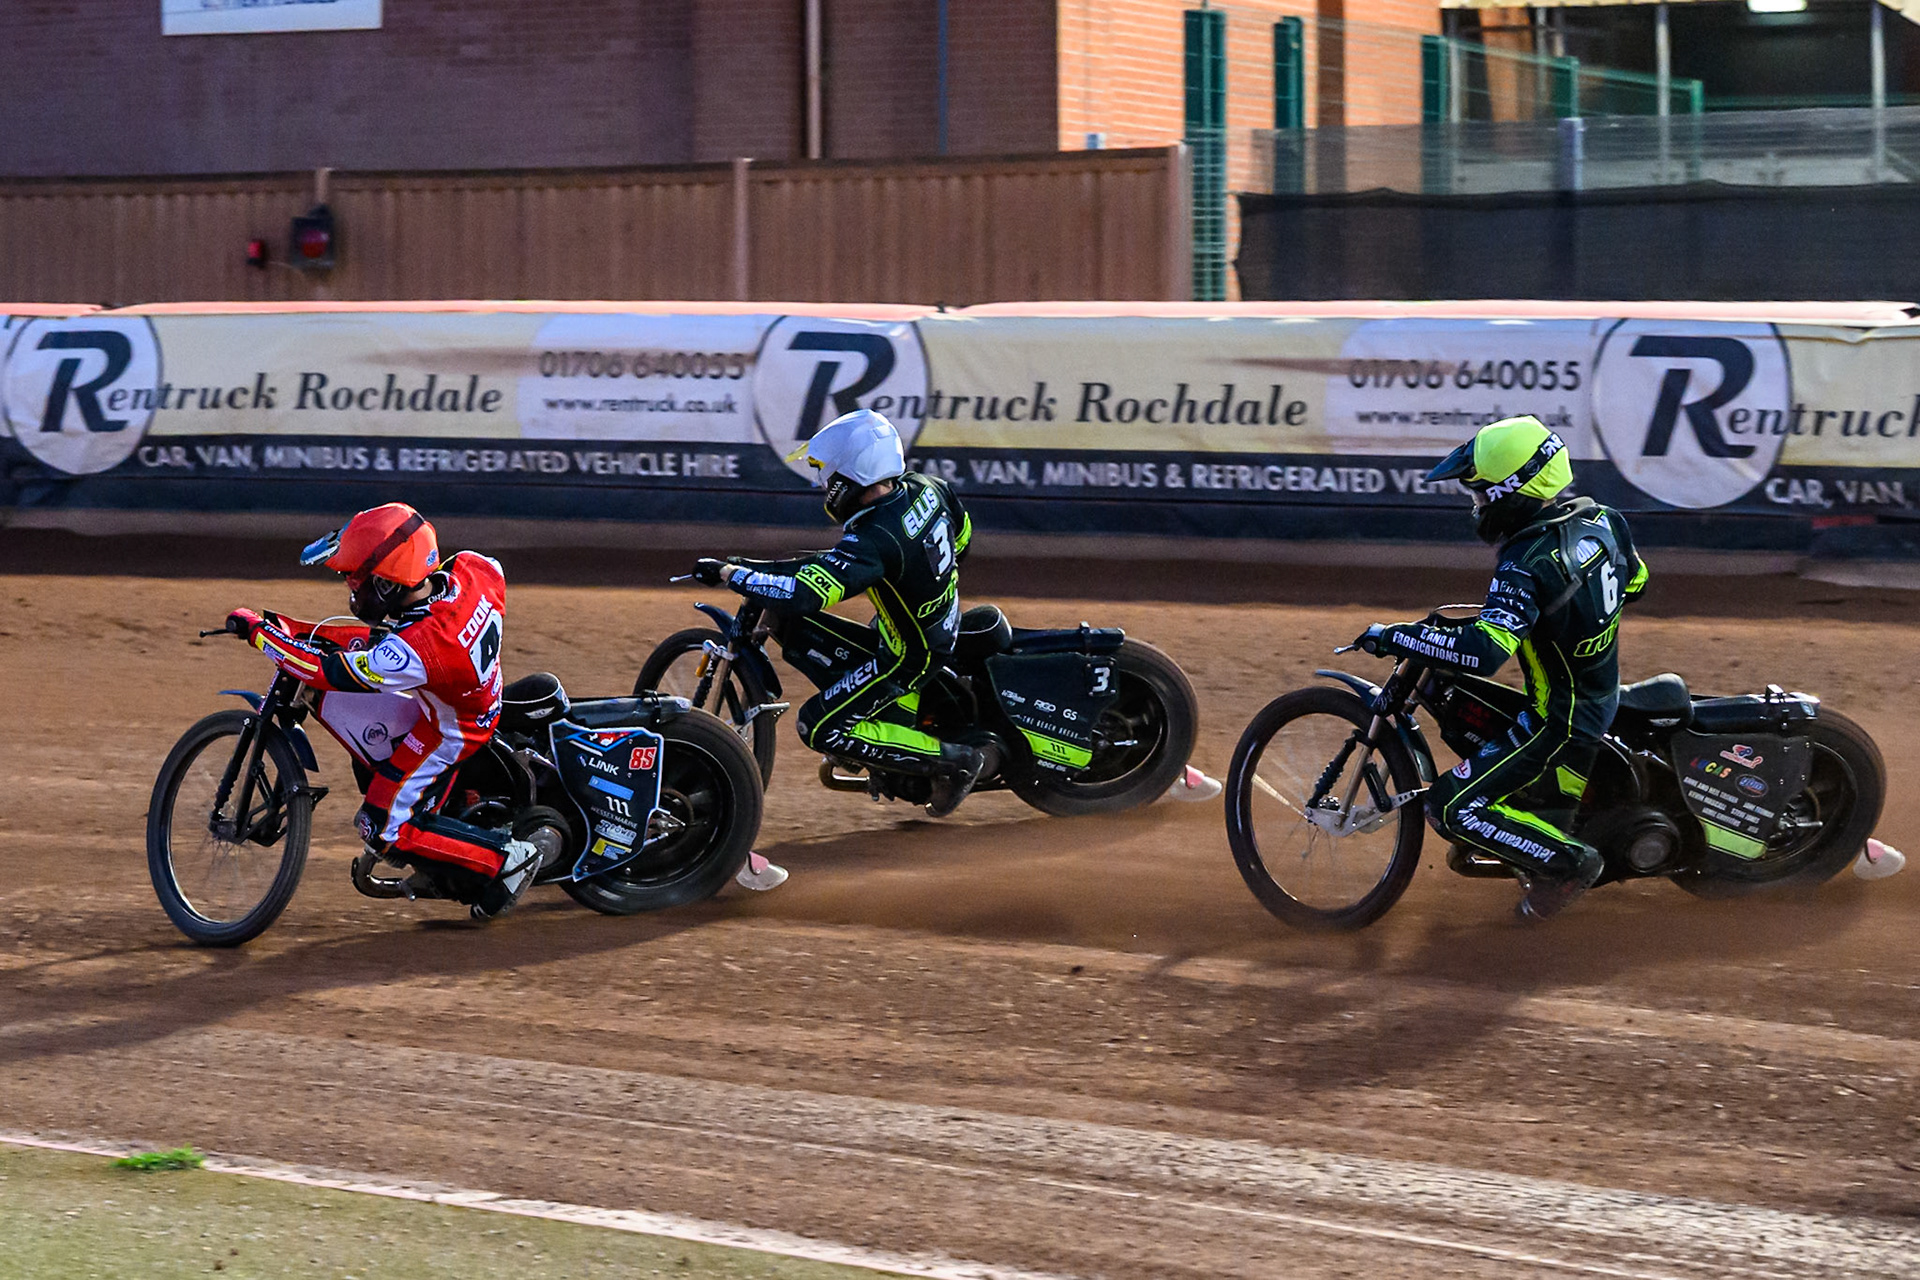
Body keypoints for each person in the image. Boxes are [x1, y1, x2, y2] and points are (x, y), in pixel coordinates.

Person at [1353, 415, 1649, 921]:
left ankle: (1572, 864)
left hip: (1561, 717)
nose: (1478, 505)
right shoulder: (1604, 519)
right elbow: (1636, 581)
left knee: (1451, 805)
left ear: (1516, 491)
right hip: (1597, 688)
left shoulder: (1527, 559)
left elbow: (1487, 653)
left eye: (1482, 493)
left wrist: (1395, 635)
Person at [225, 502, 543, 921]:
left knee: (380, 827)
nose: (351, 586)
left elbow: (323, 671)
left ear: (390, 585)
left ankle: (504, 861)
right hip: (469, 692)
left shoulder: (415, 649)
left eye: (357, 578)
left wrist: (258, 633)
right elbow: (434, 608)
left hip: (452, 730)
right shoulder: (473, 568)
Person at [693, 409, 987, 816]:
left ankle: (955, 762)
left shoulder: (874, 537)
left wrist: (730, 574)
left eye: (827, 475)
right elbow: (963, 542)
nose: (823, 484)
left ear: (852, 475)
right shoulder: (927, 487)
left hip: (908, 656)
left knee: (817, 725)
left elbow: (801, 593)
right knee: (803, 630)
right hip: (932, 624)